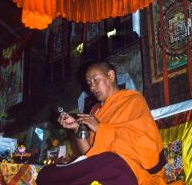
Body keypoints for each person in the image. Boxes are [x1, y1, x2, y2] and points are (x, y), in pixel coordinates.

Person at [36, 61, 166, 185]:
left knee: (112, 162)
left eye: (95, 80)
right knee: (45, 174)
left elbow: (146, 145)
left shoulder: (133, 100)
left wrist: (100, 128)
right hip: (102, 166)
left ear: (111, 76)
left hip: (130, 168)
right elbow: (89, 153)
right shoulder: (96, 111)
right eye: (89, 83)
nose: (92, 87)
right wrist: (77, 128)